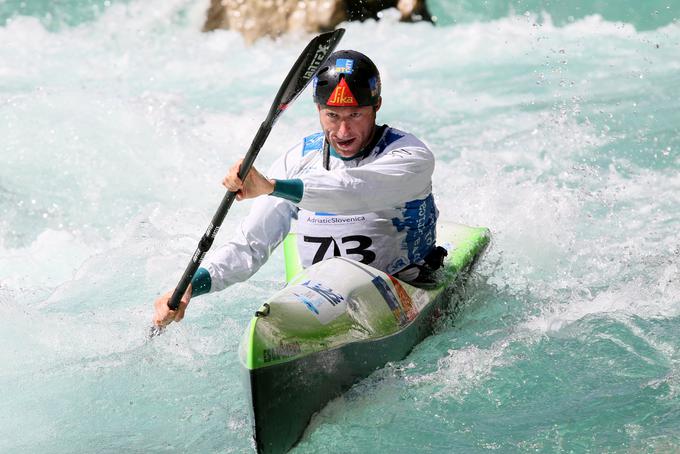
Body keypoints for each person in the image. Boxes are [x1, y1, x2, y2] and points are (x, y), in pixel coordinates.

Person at [153, 50, 442, 328]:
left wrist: (272, 186)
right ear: (318, 109)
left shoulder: (409, 155)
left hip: (403, 283)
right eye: (332, 116)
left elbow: (353, 191)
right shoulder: (299, 159)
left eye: (355, 115)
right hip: (322, 298)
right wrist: (191, 286)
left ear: (376, 106)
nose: (343, 132)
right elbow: (250, 246)